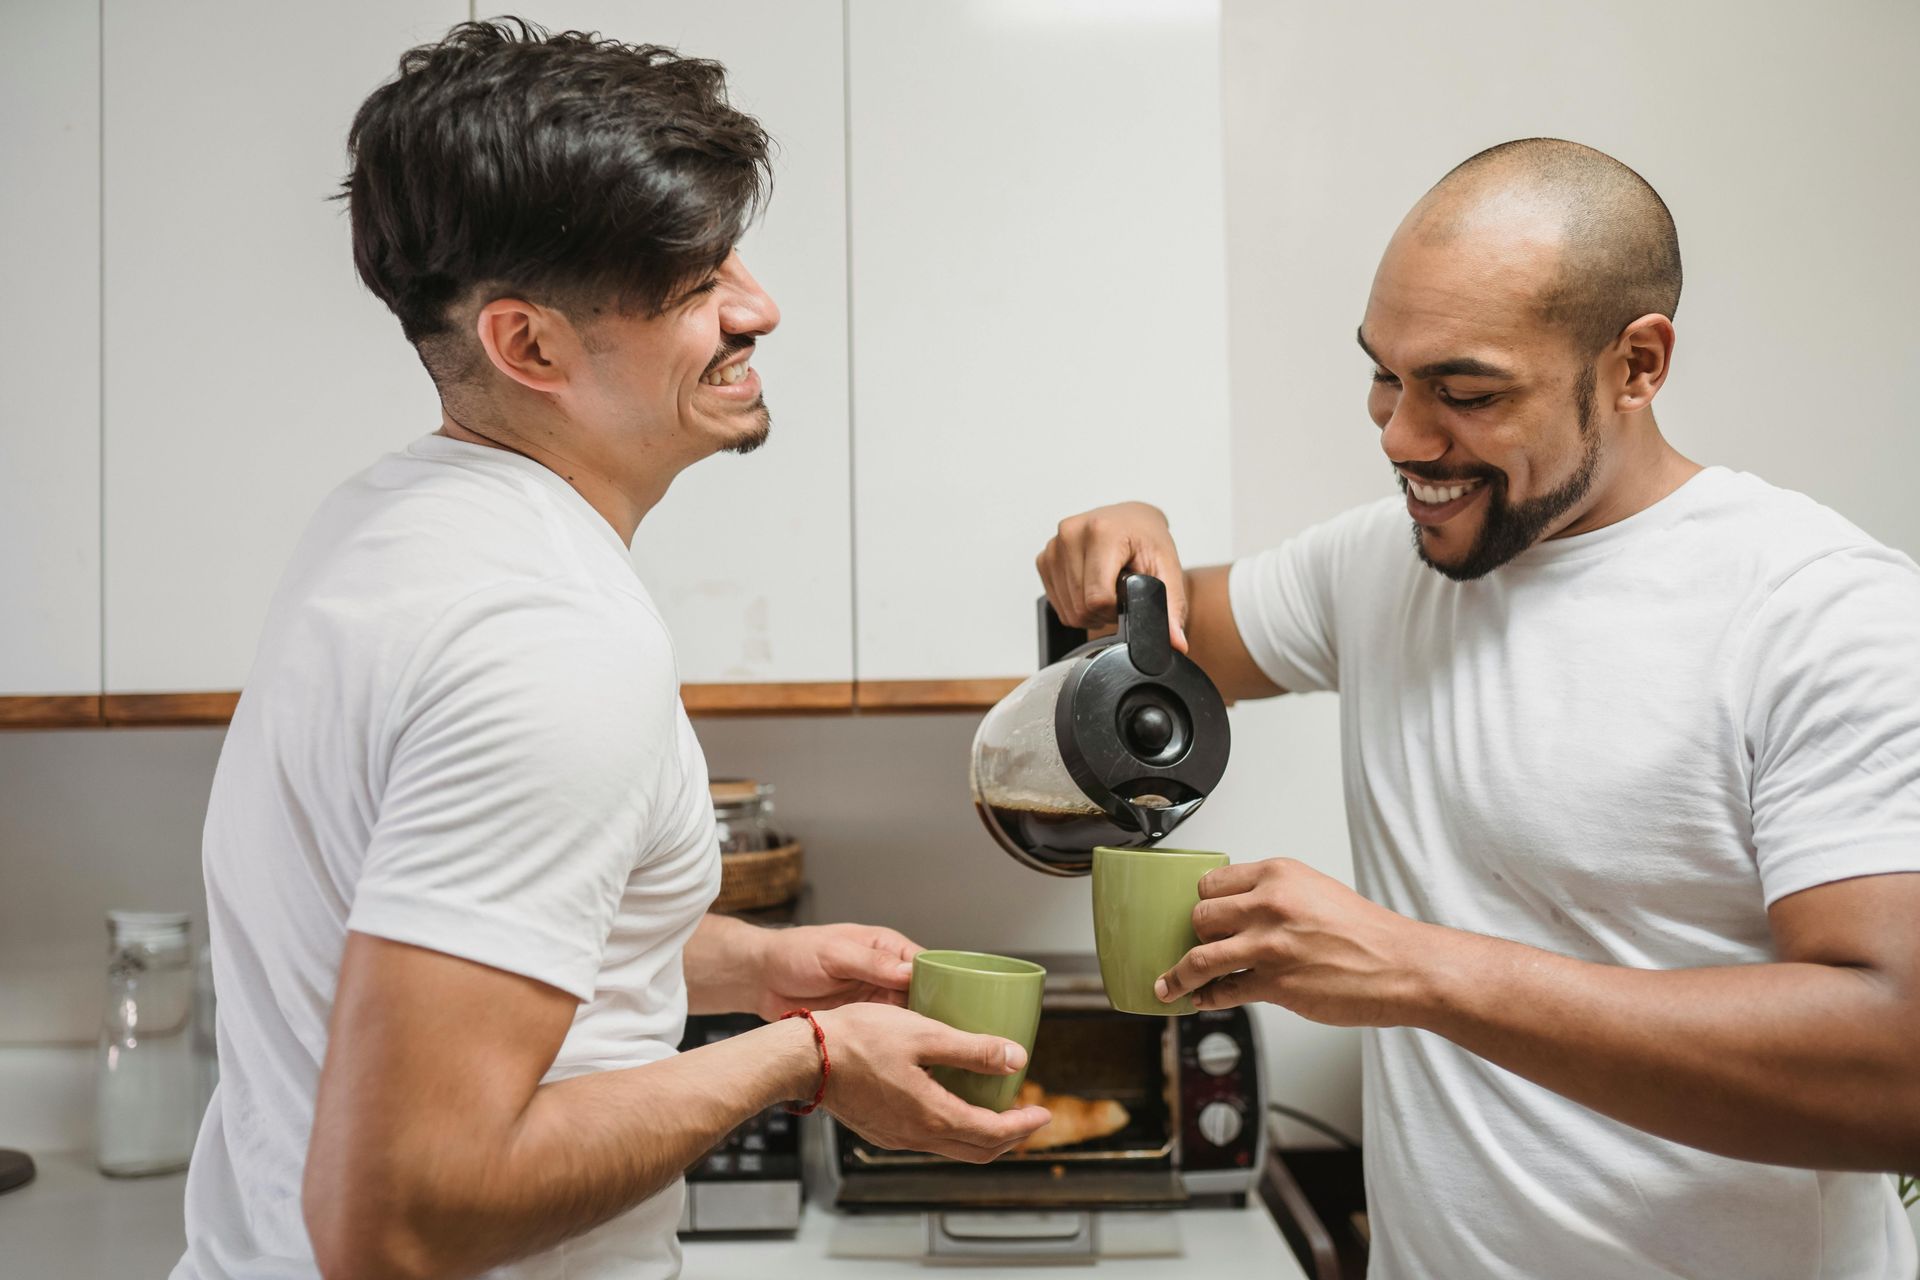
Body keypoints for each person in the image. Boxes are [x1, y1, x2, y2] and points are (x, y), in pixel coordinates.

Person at [174, 21, 1047, 1280]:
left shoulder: (388, 527)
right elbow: (396, 1216)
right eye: (695, 285)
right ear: (528, 346)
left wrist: (747, 964)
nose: (760, 304)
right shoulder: (551, 644)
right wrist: (802, 1056)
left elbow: (443, 936)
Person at [1037, 138, 1920, 1279]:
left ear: (1636, 364)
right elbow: (1155, 638)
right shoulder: (1381, 564)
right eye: (1383, 376)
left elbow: (1897, 1065)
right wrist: (1126, 537)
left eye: (1466, 391)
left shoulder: (1822, 611)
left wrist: (1415, 968)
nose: (1403, 437)